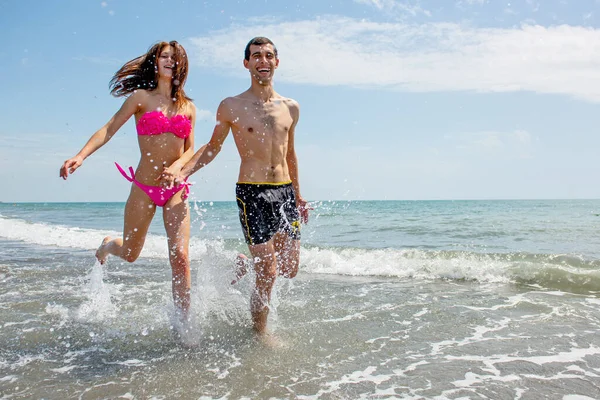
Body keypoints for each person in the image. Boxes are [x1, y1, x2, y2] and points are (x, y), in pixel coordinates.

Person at [161, 37, 310, 337]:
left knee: (290, 268)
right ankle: (260, 333)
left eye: (269, 56)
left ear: (277, 62)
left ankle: (242, 264)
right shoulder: (232, 106)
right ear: (247, 63)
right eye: (256, 56)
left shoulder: (291, 108)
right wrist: (184, 171)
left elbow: (290, 154)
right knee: (267, 272)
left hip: (284, 193)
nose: (263, 61)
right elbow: (213, 147)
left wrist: (299, 194)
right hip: (252, 194)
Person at [59, 41, 198, 319]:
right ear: (156, 62)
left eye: (175, 58)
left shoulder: (188, 107)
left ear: (182, 65)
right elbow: (109, 129)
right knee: (132, 253)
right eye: (164, 56)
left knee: (180, 258)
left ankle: (185, 325)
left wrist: (179, 167)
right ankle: (109, 245)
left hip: (175, 189)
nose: (170, 61)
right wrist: (81, 155)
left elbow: (190, 150)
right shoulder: (140, 98)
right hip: (144, 188)